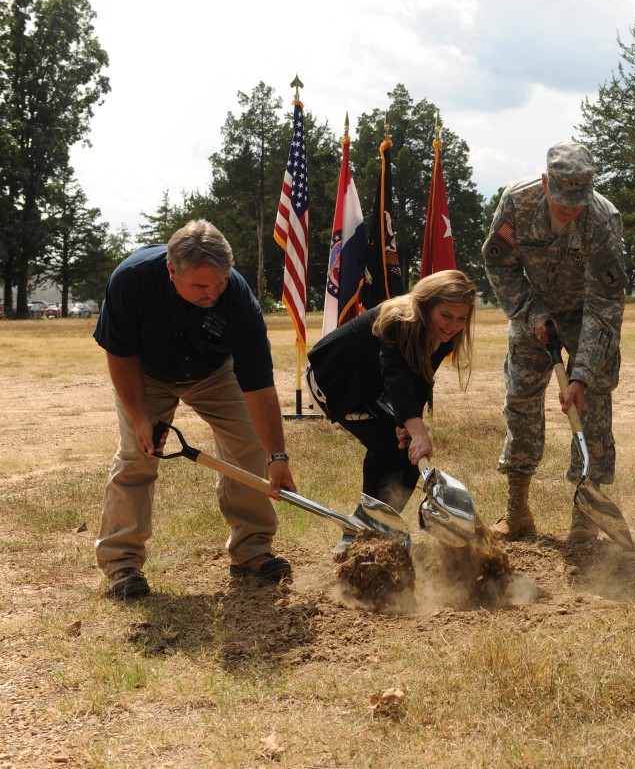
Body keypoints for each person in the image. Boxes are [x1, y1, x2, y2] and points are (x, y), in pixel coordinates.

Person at [94, 220, 296, 599]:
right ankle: (122, 562)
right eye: (201, 286)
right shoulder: (131, 280)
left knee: (248, 446)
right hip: (146, 374)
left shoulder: (234, 294)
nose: (213, 293)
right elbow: (120, 354)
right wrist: (141, 417)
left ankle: (251, 548)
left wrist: (277, 456)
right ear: (172, 271)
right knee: (139, 454)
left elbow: (258, 381)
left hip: (214, 372)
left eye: (219, 283)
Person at [481, 141, 627, 543]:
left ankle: (585, 513)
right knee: (521, 401)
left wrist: (580, 375)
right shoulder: (517, 203)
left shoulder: (602, 220)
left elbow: (605, 303)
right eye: (563, 202)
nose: (570, 210)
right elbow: (499, 264)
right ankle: (517, 510)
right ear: (546, 182)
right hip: (535, 310)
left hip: (587, 317)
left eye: (577, 202)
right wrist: (531, 312)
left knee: (592, 404)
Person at [305, 270, 476, 553]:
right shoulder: (399, 319)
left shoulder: (444, 332)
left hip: (375, 384)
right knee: (387, 446)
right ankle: (364, 539)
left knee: (407, 453)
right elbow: (394, 371)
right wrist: (416, 428)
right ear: (426, 305)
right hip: (337, 381)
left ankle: (381, 531)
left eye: (461, 318)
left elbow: (421, 377)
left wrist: (408, 422)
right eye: (446, 316)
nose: (453, 325)